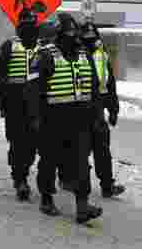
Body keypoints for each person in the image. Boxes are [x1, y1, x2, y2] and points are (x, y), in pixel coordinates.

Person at [27, 12, 104, 224]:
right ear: (58, 34)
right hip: (52, 118)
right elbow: (33, 90)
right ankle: (46, 198)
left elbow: (94, 89)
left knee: (80, 161)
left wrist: (98, 114)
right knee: (49, 160)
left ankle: (82, 205)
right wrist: (35, 117)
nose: (73, 37)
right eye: (68, 33)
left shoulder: (83, 56)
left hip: (80, 118)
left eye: (74, 33)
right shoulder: (45, 56)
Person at [0, 8, 42, 200]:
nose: (29, 30)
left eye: (32, 26)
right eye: (25, 26)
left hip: (38, 106)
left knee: (33, 144)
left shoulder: (44, 48)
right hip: (14, 104)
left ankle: (27, 172)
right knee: (18, 143)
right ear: (19, 28)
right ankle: (20, 180)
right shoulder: (9, 47)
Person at [79, 21, 126, 198]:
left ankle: (107, 185)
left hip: (97, 109)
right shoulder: (73, 53)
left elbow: (110, 83)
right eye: (87, 38)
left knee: (102, 149)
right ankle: (70, 180)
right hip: (78, 108)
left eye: (93, 37)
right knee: (78, 150)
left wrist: (113, 109)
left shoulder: (101, 54)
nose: (91, 41)